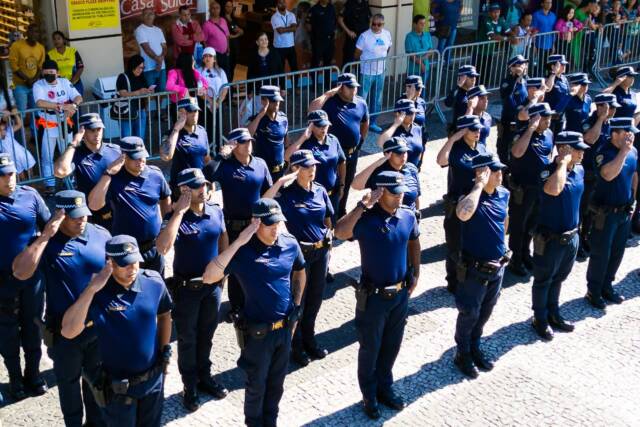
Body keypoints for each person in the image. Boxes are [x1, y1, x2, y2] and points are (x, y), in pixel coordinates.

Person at [202, 198, 306, 427]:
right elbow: (209, 276)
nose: (276, 229)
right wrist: (239, 241)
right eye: (270, 224)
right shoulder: (243, 252)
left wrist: (296, 309)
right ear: (255, 223)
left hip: (285, 329)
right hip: (257, 335)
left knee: (276, 385)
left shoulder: (289, 243)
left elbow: (300, 271)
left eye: (278, 223)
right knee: (256, 387)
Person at [12, 190, 110, 427]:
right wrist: (46, 234)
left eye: (84, 214)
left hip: (97, 328)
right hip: (64, 334)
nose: (82, 220)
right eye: (75, 216)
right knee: (68, 386)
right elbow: (20, 272)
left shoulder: (100, 234)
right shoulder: (47, 244)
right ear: (60, 216)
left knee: (96, 384)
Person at [60, 235, 172, 427]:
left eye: (135, 261)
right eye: (125, 264)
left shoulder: (153, 282)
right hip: (119, 390)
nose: (132, 268)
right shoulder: (98, 294)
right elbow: (69, 331)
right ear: (110, 263)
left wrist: (164, 352)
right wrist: (91, 289)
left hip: (153, 382)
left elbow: (164, 315)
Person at [334, 171, 420, 420]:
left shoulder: (407, 215)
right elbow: (339, 232)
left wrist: (416, 272)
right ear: (380, 192)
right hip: (373, 298)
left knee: (392, 346)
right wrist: (363, 205)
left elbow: (414, 241)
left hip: (400, 295)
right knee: (370, 348)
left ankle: (385, 388)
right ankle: (369, 395)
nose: (400, 195)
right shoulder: (366, 219)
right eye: (394, 192)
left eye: (402, 190)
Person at [156, 168, 229, 412]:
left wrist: (223, 273)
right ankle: (189, 386)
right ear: (184, 190)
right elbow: (163, 247)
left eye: (205, 185)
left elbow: (223, 239)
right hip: (186, 290)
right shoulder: (173, 217)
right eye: (197, 186)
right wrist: (179, 212)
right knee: (187, 340)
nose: (204, 190)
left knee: (207, 335)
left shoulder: (215, 211)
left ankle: (204, 377)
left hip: (212, 288)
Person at [262, 150, 333, 366]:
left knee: (315, 299)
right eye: (306, 166)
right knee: (298, 301)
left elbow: (328, 219)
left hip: (320, 253)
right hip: (299, 256)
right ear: (295, 169)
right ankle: (297, 345)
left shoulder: (320, 190)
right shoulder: (286, 195)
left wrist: (329, 238)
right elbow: (263, 202)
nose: (312, 170)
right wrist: (283, 180)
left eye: (313, 166)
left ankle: (310, 339)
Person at [203, 128, 273, 315]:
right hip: (233, 225)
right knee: (235, 268)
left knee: (257, 263)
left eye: (249, 141)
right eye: (243, 142)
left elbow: (269, 192)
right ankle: (236, 306)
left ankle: (254, 300)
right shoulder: (226, 166)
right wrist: (220, 155)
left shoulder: (260, 164)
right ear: (233, 145)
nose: (248, 145)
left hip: (256, 225)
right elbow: (207, 175)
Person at [453, 153, 509, 378]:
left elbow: (505, 221)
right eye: (495, 171)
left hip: (497, 266)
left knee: (486, 311)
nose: (500, 175)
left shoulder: (503, 194)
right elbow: (462, 215)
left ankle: (475, 346)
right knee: (469, 313)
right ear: (481, 173)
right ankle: (462, 353)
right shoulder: (469, 197)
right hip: (475, 270)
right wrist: (478, 186)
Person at [0, 153, 50, 401]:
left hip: (32, 275)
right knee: (7, 332)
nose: (8, 179)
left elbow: (48, 226)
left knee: (33, 325)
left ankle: (34, 374)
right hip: (1, 280)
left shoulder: (30, 195)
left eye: (10, 173)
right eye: (2, 175)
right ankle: (15, 378)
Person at [530, 131, 587, 341]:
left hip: (571, 236)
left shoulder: (579, 170)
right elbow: (553, 190)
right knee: (544, 280)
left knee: (560, 278)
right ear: (564, 149)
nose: (582, 153)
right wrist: (562, 164)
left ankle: (553, 312)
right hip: (550, 239)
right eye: (577, 149)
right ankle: (540, 318)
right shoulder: (547, 171)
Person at [88, 137, 172, 275]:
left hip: (153, 247)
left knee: (156, 287)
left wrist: (165, 227)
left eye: (143, 156)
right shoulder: (113, 178)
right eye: (136, 158)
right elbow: (94, 205)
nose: (141, 161)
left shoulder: (155, 174)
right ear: (124, 157)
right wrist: (108, 173)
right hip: (125, 251)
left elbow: (165, 199)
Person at [585, 117, 638, 310]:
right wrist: (623, 152)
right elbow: (608, 174)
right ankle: (594, 290)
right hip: (605, 214)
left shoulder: (633, 151)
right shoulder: (604, 152)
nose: (631, 137)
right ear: (615, 133)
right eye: (627, 133)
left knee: (617, 252)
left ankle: (607, 286)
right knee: (601, 253)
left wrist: (633, 198)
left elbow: (634, 173)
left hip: (623, 212)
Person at [436, 115, 488, 293]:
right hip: (457, 205)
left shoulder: (481, 146)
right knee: (455, 246)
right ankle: (453, 281)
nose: (478, 132)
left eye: (479, 129)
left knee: (471, 243)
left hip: (475, 204)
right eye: (473, 129)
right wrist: (453, 138)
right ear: (464, 131)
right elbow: (441, 160)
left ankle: (466, 277)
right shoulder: (456, 150)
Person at [309, 73, 369, 218]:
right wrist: (329, 93)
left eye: (355, 87)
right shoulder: (330, 102)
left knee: (346, 184)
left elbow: (365, 123)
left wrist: (360, 142)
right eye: (350, 87)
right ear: (340, 87)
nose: (354, 90)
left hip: (352, 152)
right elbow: (312, 108)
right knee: (331, 184)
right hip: (332, 153)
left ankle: (341, 214)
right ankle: (328, 216)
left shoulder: (360, 102)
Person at [508, 103, 555, 276]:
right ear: (534, 118)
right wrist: (530, 129)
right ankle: (516, 259)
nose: (548, 121)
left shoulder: (549, 134)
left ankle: (526, 253)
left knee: (532, 224)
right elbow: (517, 152)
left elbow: (549, 156)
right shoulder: (522, 135)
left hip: (539, 188)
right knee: (519, 225)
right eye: (545, 118)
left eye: (549, 117)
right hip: (523, 189)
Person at [53, 113, 121, 229]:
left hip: (118, 212)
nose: (97, 133)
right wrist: (74, 142)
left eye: (99, 129)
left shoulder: (115, 150)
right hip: (91, 216)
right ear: (83, 132)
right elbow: (60, 171)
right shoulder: (76, 154)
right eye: (92, 130)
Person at [579, 93, 620, 258]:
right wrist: (600, 119)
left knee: (594, 211)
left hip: (600, 176)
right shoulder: (588, 123)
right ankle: (580, 240)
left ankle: (587, 237)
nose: (614, 110)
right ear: (601, 107)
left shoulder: (610, 124)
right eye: (611, 107)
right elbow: (589, 139)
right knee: (583, 211)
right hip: (587, 174)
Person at [33, 59, 82, 194]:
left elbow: (78, 96)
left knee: (68, 154)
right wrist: (61, 106)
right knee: (47, 156)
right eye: (46, 72)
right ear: (42, 72)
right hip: (47, 125)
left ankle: (70, 181)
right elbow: (40, 102)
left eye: (52, 72)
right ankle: (50, 184)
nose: (49, 74)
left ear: (57, 73)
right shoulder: (38, 85)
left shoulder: (65, 82)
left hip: (65, 125)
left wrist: (74, 106)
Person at [285, 110, 346, 217]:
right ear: (311, 126)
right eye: (319, 126)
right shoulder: (306, 144)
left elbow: (342, 162)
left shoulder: (333, 140)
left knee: (331, 223)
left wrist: (341, 185)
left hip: (333, 193)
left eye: (325, 125)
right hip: (313, 195)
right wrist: (304, 137)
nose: (323, 128)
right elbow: (286, 157)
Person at [352, 137, 422, 215]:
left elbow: (416, 196)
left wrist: (417, 213)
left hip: (409, 218)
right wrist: (377, 163)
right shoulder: (380, 173)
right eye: (398, 153)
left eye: (405, 152)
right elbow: (355, 185)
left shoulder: (411, 168)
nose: (403, 156)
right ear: (387, 154)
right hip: (387, 220)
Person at [161, 97, 209, 197]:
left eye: (196, 110)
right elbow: (166, 156)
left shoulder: (202, 131)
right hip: (181, 189)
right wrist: (176, 130)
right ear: (180, 113)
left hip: (199, 188)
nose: (195, 114)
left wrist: (210, 183)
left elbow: (206, 158)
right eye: (191, 111)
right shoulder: (171, 134)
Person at [354, 14, 392, 133]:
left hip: (381, 71)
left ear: (383, 24)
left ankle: (372, 122)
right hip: (366, 72)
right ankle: (359, 123)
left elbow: (388, 48)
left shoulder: (387, 34)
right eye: (373, 24)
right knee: (362, 99)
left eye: (378, 24)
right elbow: (357, 53)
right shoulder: (364, 36)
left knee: (377, 99)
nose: (375, 26)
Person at [248, 85, 288, 181]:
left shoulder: (283, 118)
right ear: (263, 101)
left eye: (278, 100)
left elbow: (285, 140)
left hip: (280, 170)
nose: (277, 103)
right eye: (273, 101)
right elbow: (248, 134)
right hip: (264, 170)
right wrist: (260, 115)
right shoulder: (257, 120)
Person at [376, 99, 424, 168]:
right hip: (397, 174)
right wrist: (396, 124)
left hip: (412, 172)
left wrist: (418, 165)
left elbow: (420, 149)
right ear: (398, 114)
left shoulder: (417, 129)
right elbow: (380, 143)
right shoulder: (392, 130)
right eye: (409, 113)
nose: (412, 115)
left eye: (414, 113)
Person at [116, 54, 155, 139]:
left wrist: (149, 91)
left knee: (139, 139)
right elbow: (123, 93)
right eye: (138, 67)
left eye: (142, 68)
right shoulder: (123, 77)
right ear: (132, 65)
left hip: (140, 110)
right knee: (127, 139)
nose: (140, 70)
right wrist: (139, 92)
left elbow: (145, 90)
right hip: (126, 112)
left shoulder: (142, 77)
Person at [8, 24, 45, 114]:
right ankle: (21, 128)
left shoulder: (41, 48)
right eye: (31, 31)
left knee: (36, 112)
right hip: (19, 85)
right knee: (21, 113)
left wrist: (33, 80)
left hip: (34, 85)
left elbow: (40, 67)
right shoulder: (16, 46)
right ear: (27, 33)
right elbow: (13, 66)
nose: (34, 34)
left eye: (36, 32)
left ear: (39, 34)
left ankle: (34, 129)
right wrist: (26, 79)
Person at [198, 47, 228, 147]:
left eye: (210, 56)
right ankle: (207, 148)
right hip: (205, 104)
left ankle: (219, 146)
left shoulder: (221, 71)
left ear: (214, 59)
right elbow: (200, 90)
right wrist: (210, 102)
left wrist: (218, 103)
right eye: (205, 56)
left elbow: (225, 88)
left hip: (218, 103)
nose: (208, 58)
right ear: (202, 59)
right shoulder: (199, 72)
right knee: (206, 126)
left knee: (218, 126)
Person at [134, 8, 168, 93]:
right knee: (150, 93)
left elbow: (164, 47)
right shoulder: (140, 30)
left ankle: (162, 107)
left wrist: (160, 60)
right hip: (148, 67)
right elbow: (146, 48)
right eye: (146, 14)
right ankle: (153, 107)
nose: (149, 16)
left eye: (151, 14)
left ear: (154, 16)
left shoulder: (158, 30)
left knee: (162, 91)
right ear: (142, 17)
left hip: (161, 67)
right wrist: (159, 61)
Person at [166, 52, 208, 117]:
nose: (194, 62)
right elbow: (169, 86)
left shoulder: (193, 72)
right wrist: (184, 90)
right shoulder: (173, 72)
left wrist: (203, 87)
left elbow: (205, 82)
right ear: (188, 62)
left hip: (192, 104)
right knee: (180, 126)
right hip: (178, 106)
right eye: (193, 60)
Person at [47, 31, 84, 95]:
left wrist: (72, 82)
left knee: (77, 103)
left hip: (75, 84)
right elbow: (49, 71)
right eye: (54, 39)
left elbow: (80, 67)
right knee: (64, 104)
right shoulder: (50, 54)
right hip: (59, 86)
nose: (56, 41)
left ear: (63, 40)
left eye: (58, 38)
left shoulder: (72, 51)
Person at [445, 65, 480, 133]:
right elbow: (448, 103)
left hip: (474, 130)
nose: (474, 79)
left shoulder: (475, 92)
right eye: (471, 76)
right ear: (462, 78)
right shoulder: (457, 92)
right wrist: (458, 86)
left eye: (475, 76)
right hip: (460, 131)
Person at [307, 0, 337, 74]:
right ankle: (315, 84)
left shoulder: (331, 7)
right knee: (315, 64)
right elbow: (308, 25)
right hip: (318, 41)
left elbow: (334, 21)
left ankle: (327, 84)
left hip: (329, 40)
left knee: (328, 64)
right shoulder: (314, 9)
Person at [203, 0, 231, 77]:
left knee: (226, 74)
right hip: (215, 54)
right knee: (217, 74)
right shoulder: (206, 25)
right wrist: (209, 55)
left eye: (217, 8)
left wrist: (228, 47)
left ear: (220, 9)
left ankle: (227, 88)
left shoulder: (223, 21)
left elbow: (227, 35)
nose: (215, 10)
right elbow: (204, 41)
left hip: (225, 53)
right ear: (210, 10)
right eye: (213, 8)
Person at [338, 0, 372, 64]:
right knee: (348, 60)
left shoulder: (365, 3)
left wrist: (368, 32)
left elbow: (370, 18)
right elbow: (340, 20)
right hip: (353, 37)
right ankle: (346, 74)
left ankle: (359, 74)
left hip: (363, 37)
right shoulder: (349, 4)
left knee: (361, 60)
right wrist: (348, 32)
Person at [544, 54, 571, 134]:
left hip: (561, 116)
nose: (564, 66)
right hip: (550, 117)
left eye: (564, 64)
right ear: (552, 66)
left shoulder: (564, 78)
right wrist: (553, 73)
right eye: (561, 65)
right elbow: (548, 88)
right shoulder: (547, 78)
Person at [531, 0, 557, 74]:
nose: (549, 4)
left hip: (549, 44)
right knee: (539, 66)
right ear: (542, 4)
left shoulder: (553, 15)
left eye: (551, 2)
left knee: (548, 65)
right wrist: (534, 45)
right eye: (547, 2)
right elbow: (533, 30)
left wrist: (553, 44)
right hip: (539, 44)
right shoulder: (536, 15)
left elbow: (553, 31)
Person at [405, 15, 433, 83]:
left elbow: (431, 50)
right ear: (415, 24)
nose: (423, 25)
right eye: (421, 23)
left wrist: (422, 59)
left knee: (422, 90)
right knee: (413, 91)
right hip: (413, 70)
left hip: (426, 68)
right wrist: (421, 64)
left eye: (424, 23)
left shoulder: (427, 35)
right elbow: (411, 54)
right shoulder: (409, 37)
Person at [271, 0, 298, 72]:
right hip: (279, 47)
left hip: (291, 46)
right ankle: (280, 84)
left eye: (283, 2)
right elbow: (280, 31)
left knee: (294, 69)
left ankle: (295, 83)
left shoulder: (291, 15)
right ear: (277, 4)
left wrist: (284, 29)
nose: (282, 4)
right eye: (280, 3)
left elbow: (294, 28)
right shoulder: (274, 17)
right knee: (280, 70)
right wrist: (290, 28)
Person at [223, 0, 244, 79]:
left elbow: (241, 31)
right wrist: (237, 34)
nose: (229, 8)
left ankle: (231, 85)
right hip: (228, 46)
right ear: (224, 8)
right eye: (227, 6)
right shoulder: (223, 19)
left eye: (231, 6)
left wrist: (235, 35)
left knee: (233, 66)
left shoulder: (233, 19)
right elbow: (228, 35)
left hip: (235, 46)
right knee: (228, 68)